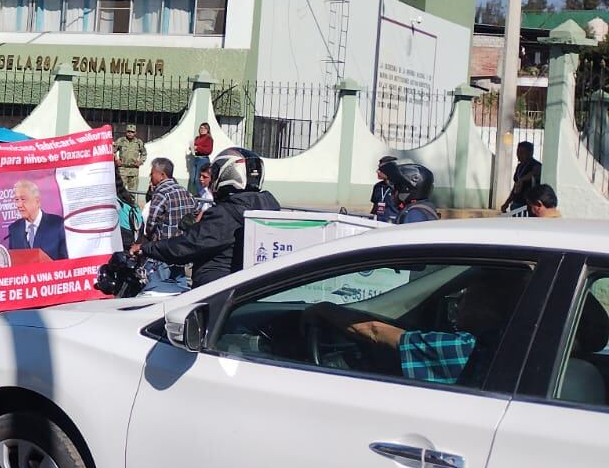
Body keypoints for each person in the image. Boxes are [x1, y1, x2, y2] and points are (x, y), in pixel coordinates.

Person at [303, 271, 519, 385]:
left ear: (492, 310)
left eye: (469, 298)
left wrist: (322, 308)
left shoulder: (463, 347)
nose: (459, 304)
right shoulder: (508, 345)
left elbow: (373, 331)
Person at [133, 147, 280, 288]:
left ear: (228, 174)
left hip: (214, 293)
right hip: (247, 290)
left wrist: (146, 247)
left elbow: (186, 247)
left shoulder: (225, 213)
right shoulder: (269, 208)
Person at [141, 157, 197, 294]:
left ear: (162, 175)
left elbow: (152, 221)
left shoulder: (161, 193)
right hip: (182, 251)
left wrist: (148, 236)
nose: (150, 176)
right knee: (181, 291)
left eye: (152, 173)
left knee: (160, 292)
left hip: (163, 252)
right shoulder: (185, 192)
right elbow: (195, 214)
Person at [7, 180, 67, 260]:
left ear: (37, 201)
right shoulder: (14, 229)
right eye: (17, 200)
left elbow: (66, 262)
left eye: (23, 199)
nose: (19, 205)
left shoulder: (58, 224)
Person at [500, 142, 543, 212]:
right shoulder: (519, 166)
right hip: (516, 203)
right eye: (518, 152)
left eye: (522, 152)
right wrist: (507, 203)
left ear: (530, 153)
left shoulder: (535, 165)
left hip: (528, 206)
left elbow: (536, 172)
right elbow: (515, 186)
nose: (519, 155)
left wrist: (522, 180)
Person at [114, 124, 147, 193]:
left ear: (135, 133)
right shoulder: (121, 141)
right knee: (120, 191)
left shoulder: (139, 142)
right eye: (128, 131)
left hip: (134, 170)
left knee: (133, 192)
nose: (130, 133)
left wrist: (140, 162)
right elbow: (112, 151)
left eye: (132, 132)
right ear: (126, 132)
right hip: (122, 169)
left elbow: (144, 153)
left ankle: (132, 204)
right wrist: (116, 160)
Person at [370, 155, 400, 223]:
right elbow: (375, 207)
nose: (377, 171)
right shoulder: (378, 187)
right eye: (378, 168)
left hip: (393, 226)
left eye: (381, 169)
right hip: (377, 223)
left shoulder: (399, 187)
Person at [189, 123, 214, 195]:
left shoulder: (209, 138)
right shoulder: (197, 138)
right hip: (196, 159)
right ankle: (200, 194)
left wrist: (198, 148)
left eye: (204, 128)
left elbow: (208, 150)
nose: (202, 130)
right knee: (193, 179)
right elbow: (196, 147)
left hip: (203, 159)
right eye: (201, 128)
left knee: (199, 179)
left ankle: (203, 195)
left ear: (207, 130)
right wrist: (192, 148)